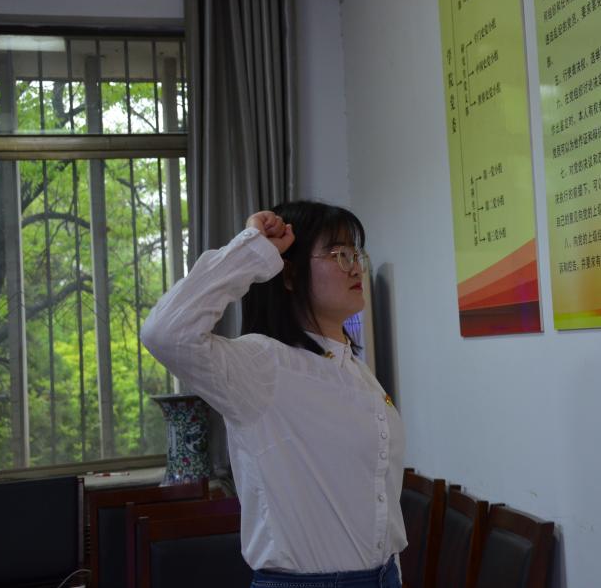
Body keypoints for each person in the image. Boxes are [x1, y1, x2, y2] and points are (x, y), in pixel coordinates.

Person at [141, 201, 406, 588]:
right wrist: (253, 248)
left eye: (356, 254)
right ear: (289, 274)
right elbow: (165, 333)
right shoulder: (262, 365)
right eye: (339, 254)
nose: (355, 267)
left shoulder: (355, 370)